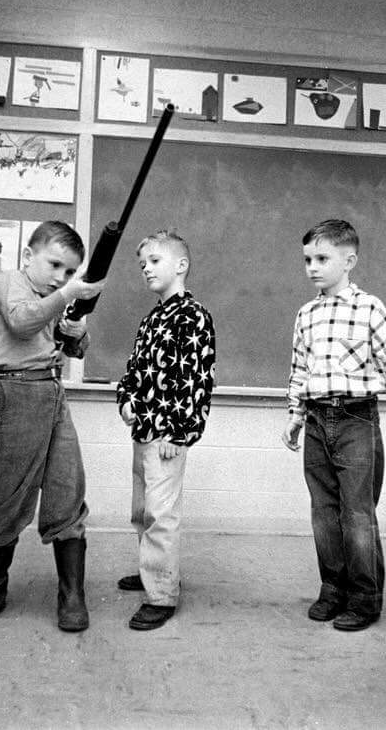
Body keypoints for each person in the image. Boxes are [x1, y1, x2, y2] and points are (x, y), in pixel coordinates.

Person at [282, 218, 386, 632]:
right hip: (316, 418)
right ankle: (333, 588)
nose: (312, 267)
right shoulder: (307, 314)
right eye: (307, 260)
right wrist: (295, 416)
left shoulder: (368, 307)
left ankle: (365, 598)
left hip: (355, 420)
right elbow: (300, 370)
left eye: (322, 258)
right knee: (323, 514)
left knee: (357, 515)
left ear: (349, 260)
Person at [0, 221, 105, 632]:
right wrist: (65, 296)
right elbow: (23, 322)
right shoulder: (9, 282)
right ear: (29, 256)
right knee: (9, 495)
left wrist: (78, 333)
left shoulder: (54, 298)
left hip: (52, 394)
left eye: (69, 271)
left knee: (67, 489)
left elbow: (71, 347)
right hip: (14, 394)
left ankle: (72, 595)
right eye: (55, 265)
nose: (61, 277)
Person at [117, 229, 215, 630]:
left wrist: (180, 432)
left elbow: (196, 379)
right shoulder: (152, 318)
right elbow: (134, 370)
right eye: (142, 264)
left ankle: (161, 594)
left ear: (181, 265)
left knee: (161, 513)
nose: (146, 269)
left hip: (167, 435)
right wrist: (125, 398)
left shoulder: (192, 316)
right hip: (142, 430)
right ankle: (154, 570)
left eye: (155, 261)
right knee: (143, 510)